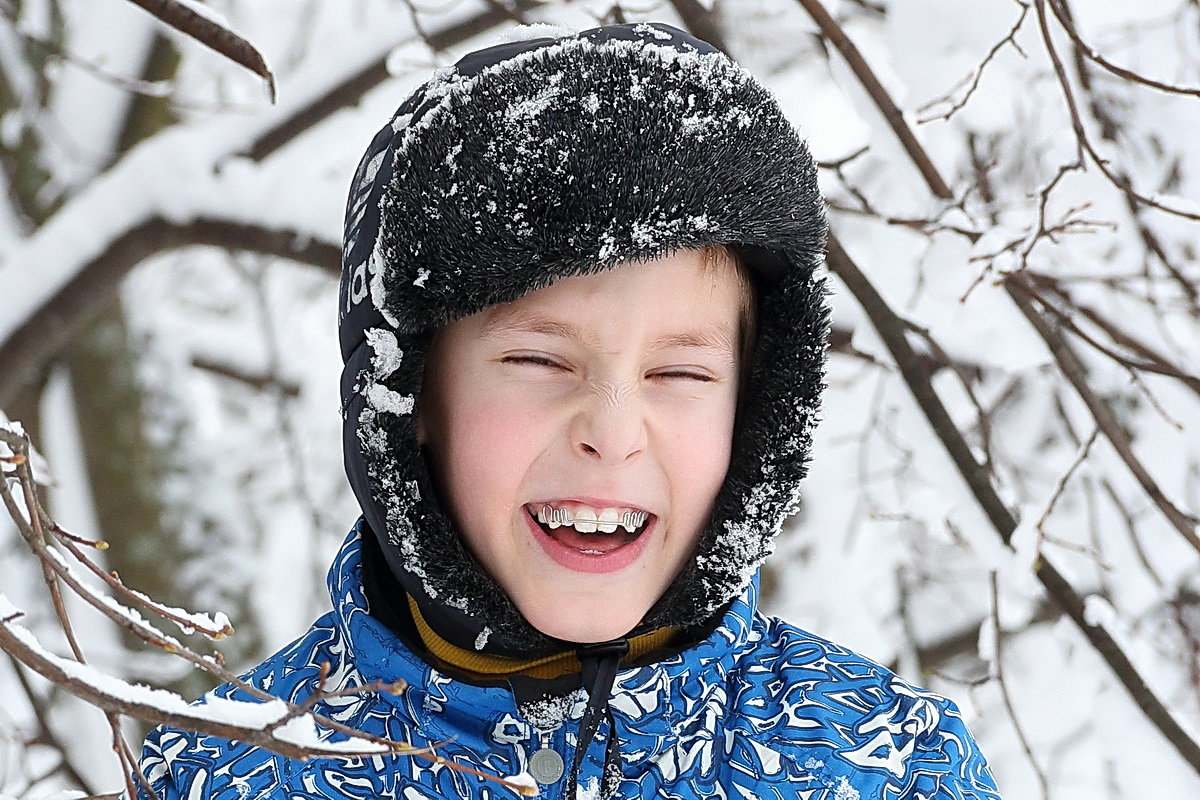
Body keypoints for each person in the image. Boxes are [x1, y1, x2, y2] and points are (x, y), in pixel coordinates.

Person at [138, 21, 1001, 799]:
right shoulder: (228, 772)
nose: (613, 435)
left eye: (682, 375)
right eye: (539, 361)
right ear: (408, 397)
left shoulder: (892, 766)